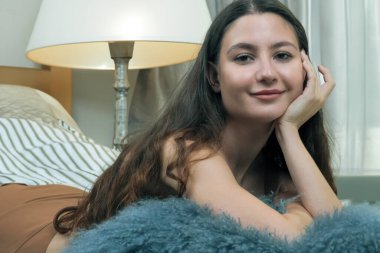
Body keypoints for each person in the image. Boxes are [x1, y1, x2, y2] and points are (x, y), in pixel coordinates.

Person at [0, 0, 342, 252]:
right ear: (213, 77)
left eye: (282, 55)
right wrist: (299, 216)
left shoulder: (275, 164)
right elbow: (292, 239)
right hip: (31, 226)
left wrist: (289, 130)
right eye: (243, 57)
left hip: (71, 199)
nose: (267, 72)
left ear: (305, 69)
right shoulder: (187, 152)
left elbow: (341, 231)